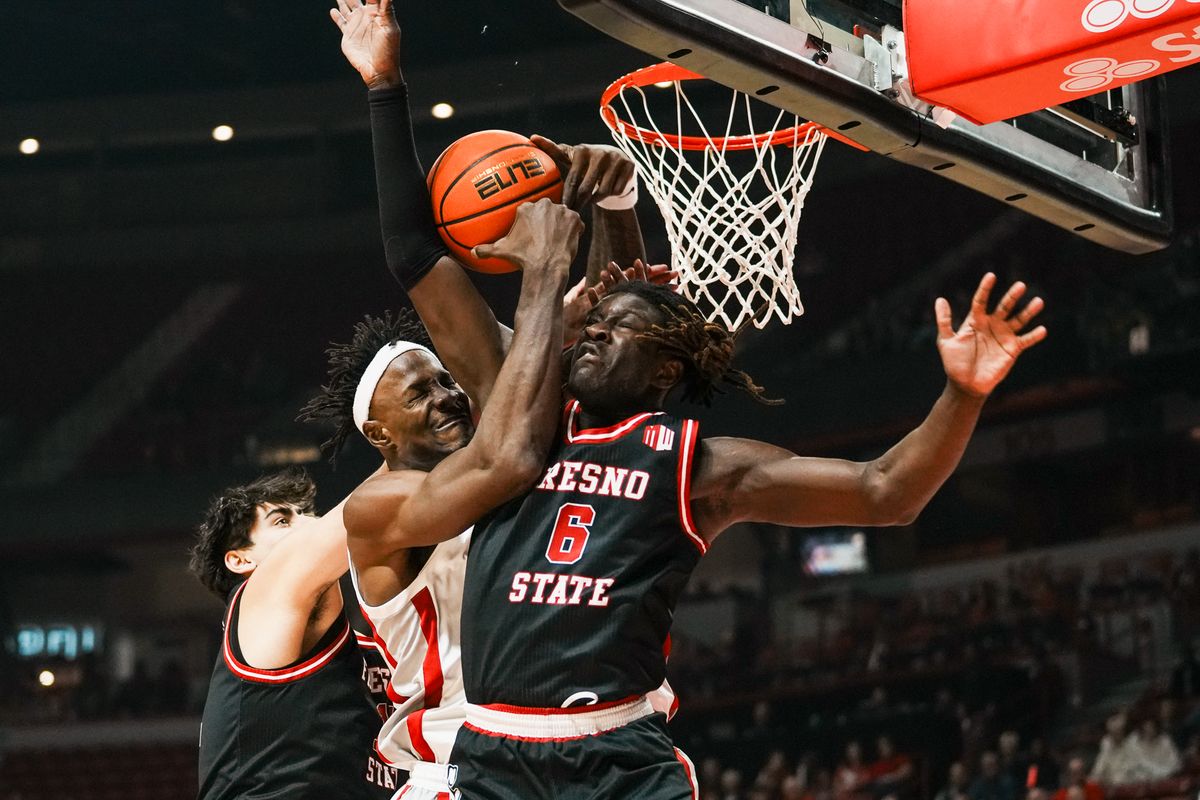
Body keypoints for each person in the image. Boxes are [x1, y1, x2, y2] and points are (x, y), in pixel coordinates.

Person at [342, 2, 1048, 797]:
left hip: (618, 754)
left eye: (614, 329)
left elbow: (888, 492)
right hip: (493, 752)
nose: (592, 329)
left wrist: (961, 393)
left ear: (664, 373)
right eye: (590, 325)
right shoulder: (523, 407)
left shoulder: (695, 465)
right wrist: (385, 82)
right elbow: (417, 256)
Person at [190, 467, 400, 800]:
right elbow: (374, 506)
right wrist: (406, 445)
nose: (311, 523)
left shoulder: (365, 645)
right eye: (282, 521)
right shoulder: (260, 593)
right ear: (240, 559)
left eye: (307, 514)